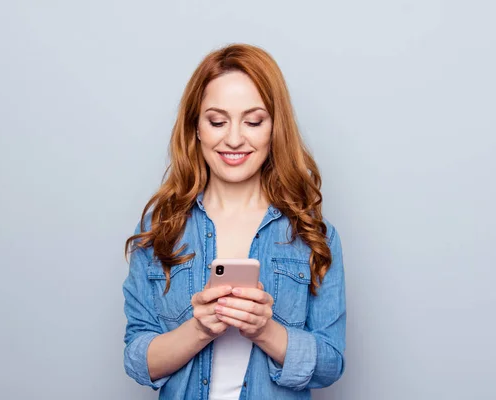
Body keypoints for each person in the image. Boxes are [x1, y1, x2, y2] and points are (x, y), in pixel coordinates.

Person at [122, 43, 346, 400]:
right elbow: (137, 359)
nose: (235, 138)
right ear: (196, 127)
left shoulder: (312, 236)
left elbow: (330, 364)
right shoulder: (162, 229)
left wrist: (264, 331)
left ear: (274, 129)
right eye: (217, 121)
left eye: (254, 121)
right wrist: (199, 329)